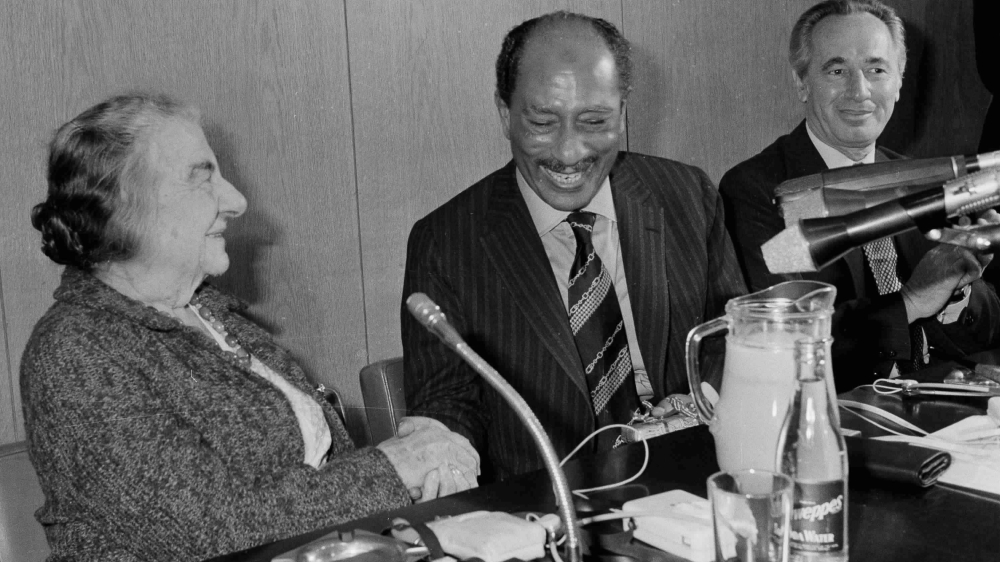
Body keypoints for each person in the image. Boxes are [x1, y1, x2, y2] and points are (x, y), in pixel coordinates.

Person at [21, 93, 478, 562]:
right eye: (203, 180)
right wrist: (396, 467)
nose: (236, 201)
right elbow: (215, 532)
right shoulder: (73, 353)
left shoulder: (213, 317)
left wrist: (418, 465)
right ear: (122, 207)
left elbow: (321, 488)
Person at [401, 11, 746, 481]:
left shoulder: (686, 195)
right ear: (504, 114)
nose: (569, 152)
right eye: (543, 122)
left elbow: (733, 335)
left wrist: (698, 408)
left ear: (622, 114)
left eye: (593, 121)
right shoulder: (446, 242)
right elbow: (449, 403)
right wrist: (440, 452)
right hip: (548, 506)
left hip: (690, 477)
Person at [719, 0, 1000, 390]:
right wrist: (913, 300)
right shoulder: (758, 190)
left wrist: (958, 287)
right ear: (801, 82)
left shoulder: (922, 177)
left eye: (876, 69)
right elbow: (792, 344)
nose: (860, 90)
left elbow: (987, 329)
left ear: (899, 82)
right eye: (837, 70)